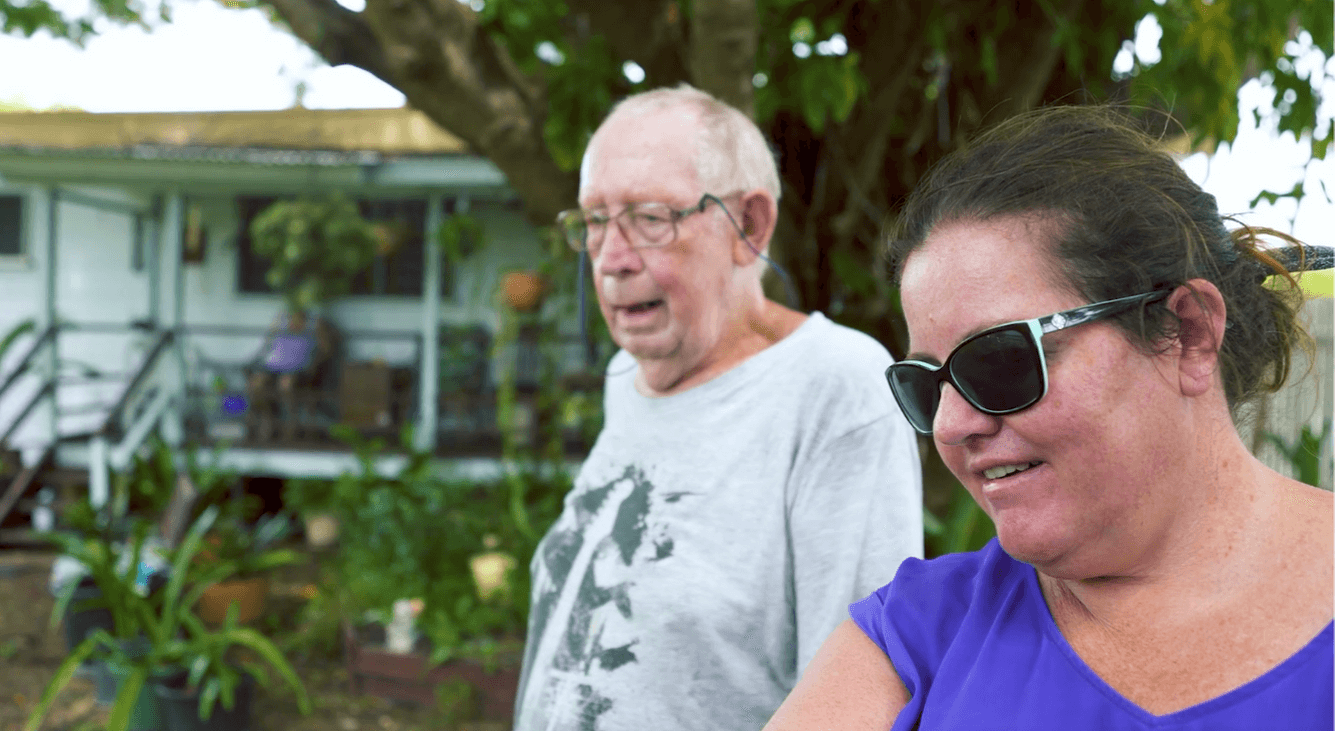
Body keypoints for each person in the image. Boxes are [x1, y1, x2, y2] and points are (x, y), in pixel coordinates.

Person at [764, 105, 1334, 730]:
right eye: (926, 384)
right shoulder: (916, 636)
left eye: (1001, 360)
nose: (951, 425)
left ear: (1188, 333)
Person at [513, 85, 924, 731]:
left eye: (650, 217)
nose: (612, 260)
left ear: (749, 225)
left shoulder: (835, 385)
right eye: (594, 220)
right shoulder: (628, 377)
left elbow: (863, 691)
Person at [245, 307, 335, 441]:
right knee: (256, 384)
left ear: (304, 322)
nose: (294, 323)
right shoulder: (282, 333)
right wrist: (276, 323)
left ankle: (290, 423)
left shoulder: (310, 335)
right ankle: (266, 417)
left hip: (297, 370)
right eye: (292, 319)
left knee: (285, 384)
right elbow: (267, 342)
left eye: (299, 320)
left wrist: (319, 326)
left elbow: (326, 349)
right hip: (272, 368)